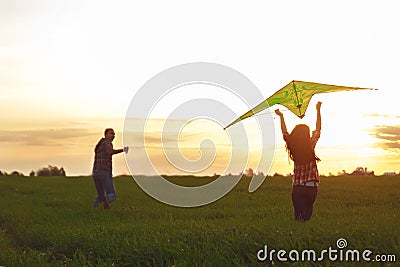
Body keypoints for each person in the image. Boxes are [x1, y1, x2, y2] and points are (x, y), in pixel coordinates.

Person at [275, 102, 322, 221]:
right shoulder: (310, 146)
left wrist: (281, 116)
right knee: (306, 218)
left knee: (298, 218)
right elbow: (318, 129)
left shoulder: (293, 147)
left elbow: (284, 132)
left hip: (298, 188)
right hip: (312, 188)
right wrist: (318, 110)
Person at [92, 128, 128, 209]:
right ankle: (107, 200)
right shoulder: (107, 143)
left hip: (95, 172)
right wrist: (123, 150)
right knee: (112, 194)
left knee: (100, 195)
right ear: (106, 134)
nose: (113, 136)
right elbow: (110, 151)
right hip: (104, 172)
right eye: (111, 134)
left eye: (114, 134)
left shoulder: (99, 144)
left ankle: (95, 209)